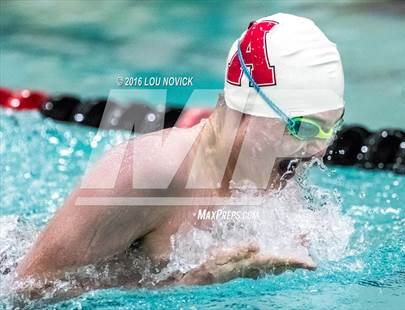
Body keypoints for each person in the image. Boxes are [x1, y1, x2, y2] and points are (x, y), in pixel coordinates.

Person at [15, 13, 345, 298]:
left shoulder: (282, 178)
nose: (320, 148)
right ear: (246, 105)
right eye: (304, 127)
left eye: (332, 126)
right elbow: (27, 293)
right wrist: (186, 286)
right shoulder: (150, 172)